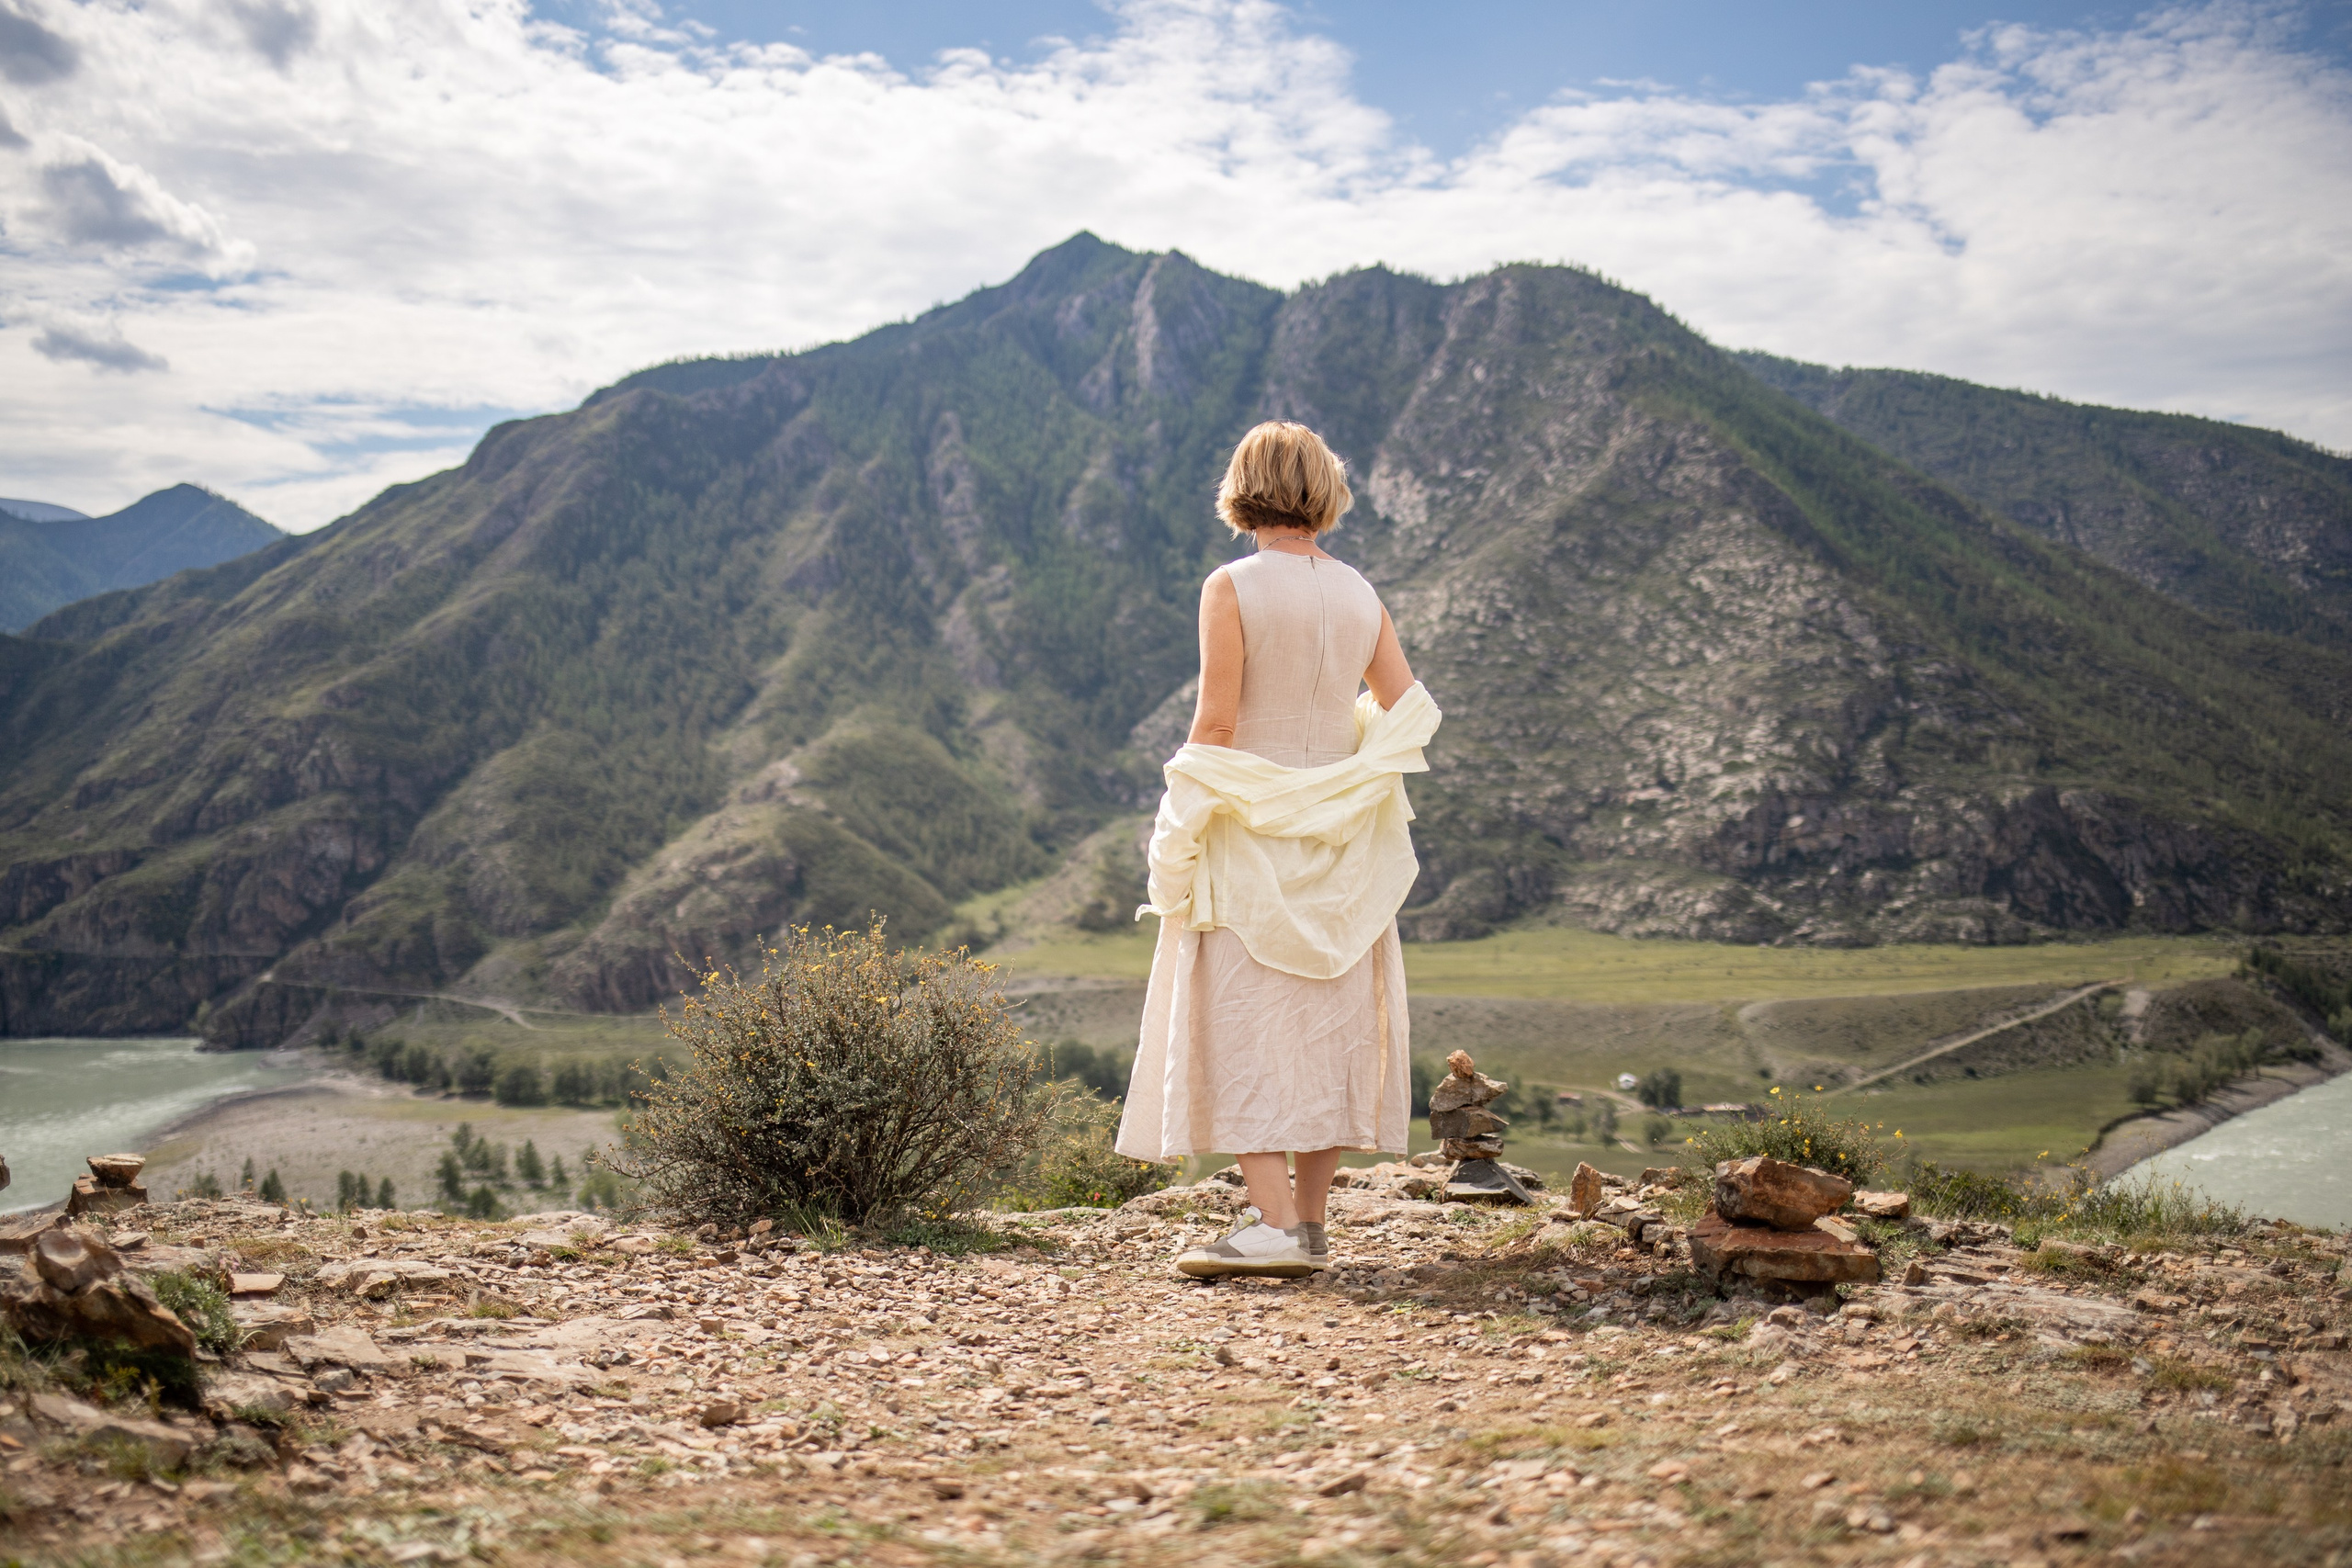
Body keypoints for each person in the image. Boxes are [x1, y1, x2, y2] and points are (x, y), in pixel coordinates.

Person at [1115, 420, 1442, 1279]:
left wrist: (1175, 829)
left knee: (1245, 1023)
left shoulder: (1231, 587)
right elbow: (1408, 708)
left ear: (1242, 486)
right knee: (1330, 1026)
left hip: (1249, 833)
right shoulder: (1362, 593)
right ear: (1325, 490)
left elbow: (1217, 725)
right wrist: (1351, 765)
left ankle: (1269, 1225)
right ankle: (1310, 1222)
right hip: (1342, 842)